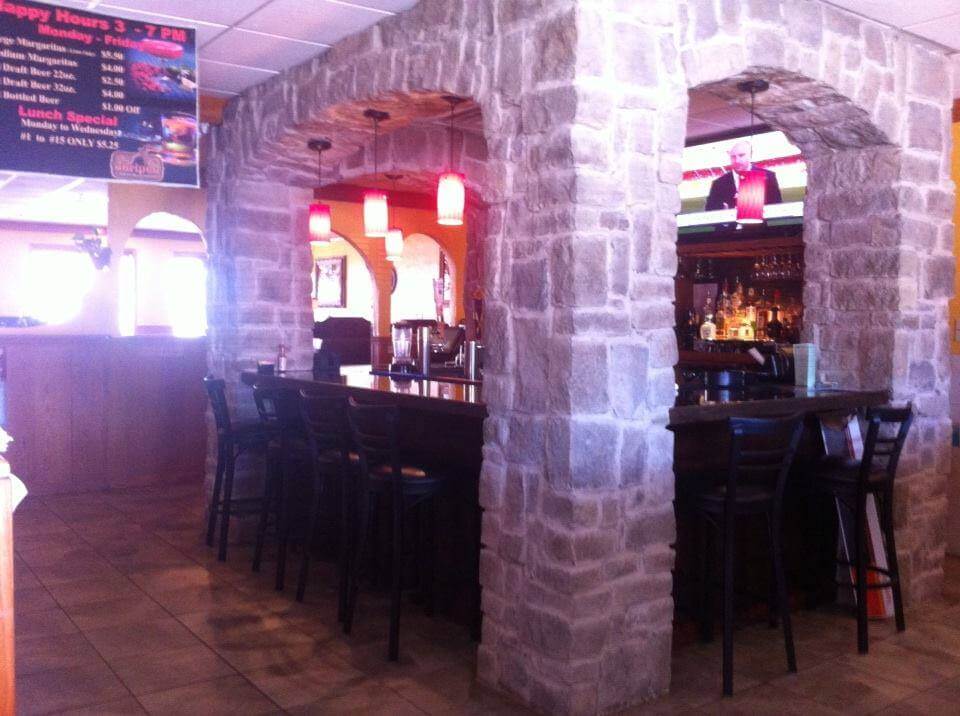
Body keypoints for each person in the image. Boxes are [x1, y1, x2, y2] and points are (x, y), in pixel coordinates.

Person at [704, 140, 782, 211]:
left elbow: (777, 207)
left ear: (750, 155)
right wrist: (724, 214)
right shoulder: (718, 183)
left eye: (741, 155)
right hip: (729, 227)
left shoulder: (768, 177)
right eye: (733, 157)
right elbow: (709, 211)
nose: (737, 160)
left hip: (757, 226)